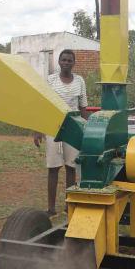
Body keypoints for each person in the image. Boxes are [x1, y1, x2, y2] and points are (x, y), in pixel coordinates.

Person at [33, 49, 88, 215]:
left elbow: (83, 107)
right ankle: (51, 208)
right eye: (63, 60)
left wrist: (87, 131)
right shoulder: (50, 80)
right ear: (59, 62)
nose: (66, 63)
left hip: (73, 125)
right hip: (53, 126)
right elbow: (42, 105)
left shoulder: (80, 81)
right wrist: (37, 130)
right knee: (53, 167)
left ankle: (68, 205)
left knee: (71, 167)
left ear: (74, 63)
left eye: (69, 60)